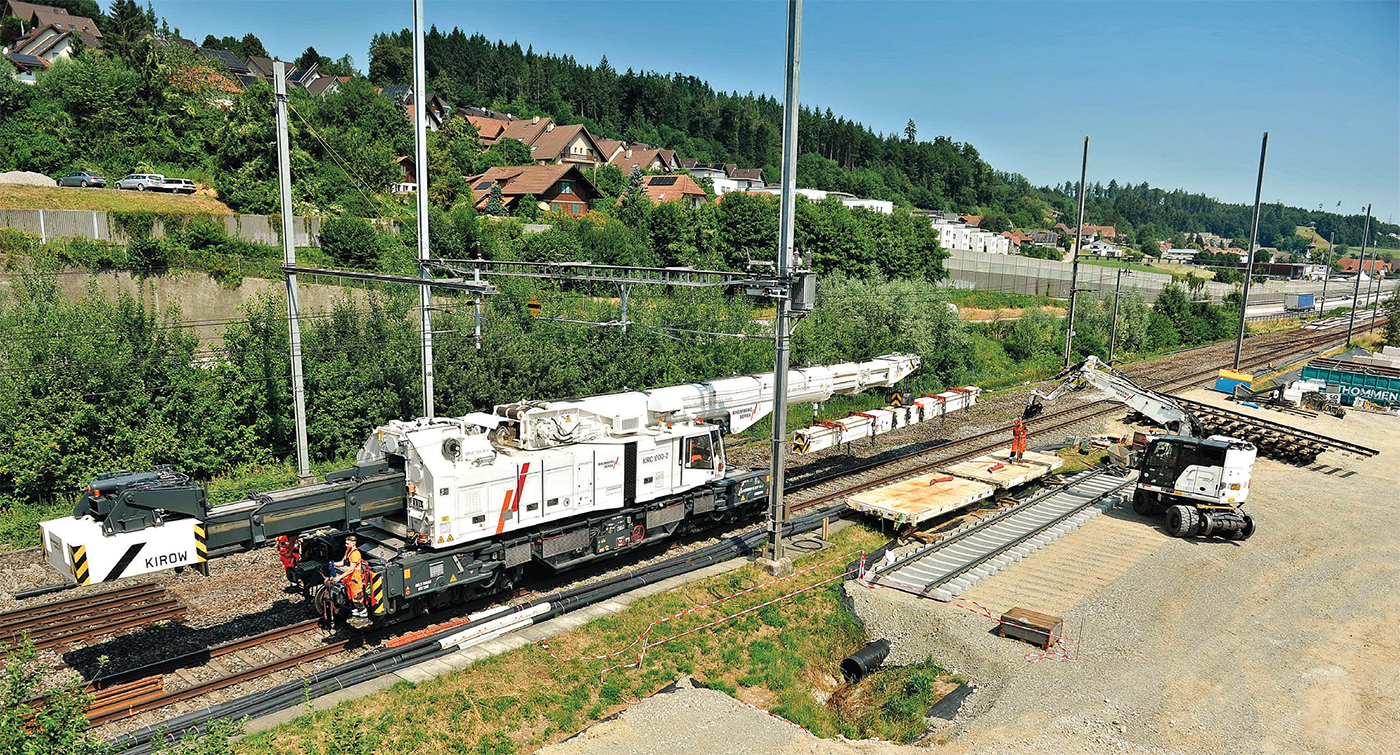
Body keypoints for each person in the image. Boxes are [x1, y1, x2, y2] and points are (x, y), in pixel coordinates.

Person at [334, 534, 368, 619]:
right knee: (350, 597)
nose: (346, 545)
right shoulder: (348, 551)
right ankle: (355, 614)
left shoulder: (355, 554)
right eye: (346, 543)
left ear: (353, 543)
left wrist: (339, 577)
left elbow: (351, 569)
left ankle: (363, 615)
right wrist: (333, 563)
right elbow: (343, 563)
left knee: (357, 598)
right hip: (349, 579)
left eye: (347, 544)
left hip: (355, 579)